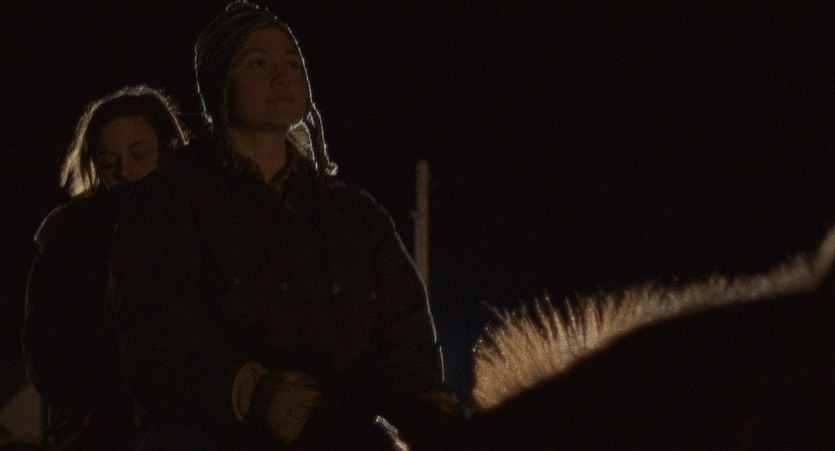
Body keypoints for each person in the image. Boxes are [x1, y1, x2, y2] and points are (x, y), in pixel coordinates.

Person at [108, 2, 461, 450]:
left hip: (337, 433)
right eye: (258, 63)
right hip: (212, 434)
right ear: (219, 83)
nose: (282, 77)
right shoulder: (168, 203)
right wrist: (249, 392)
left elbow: (404, 335)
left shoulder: (355, 216)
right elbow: (157, 336)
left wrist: (428, 410)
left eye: (293, 63)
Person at [22, 85, 189, 450]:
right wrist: (85, 408)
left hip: (183, 416)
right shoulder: (69, 231)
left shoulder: (195, 219)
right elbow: (44, 336)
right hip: (98, 424)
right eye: (108, 161)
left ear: (167, 149)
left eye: (138, 154)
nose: (125, 171)